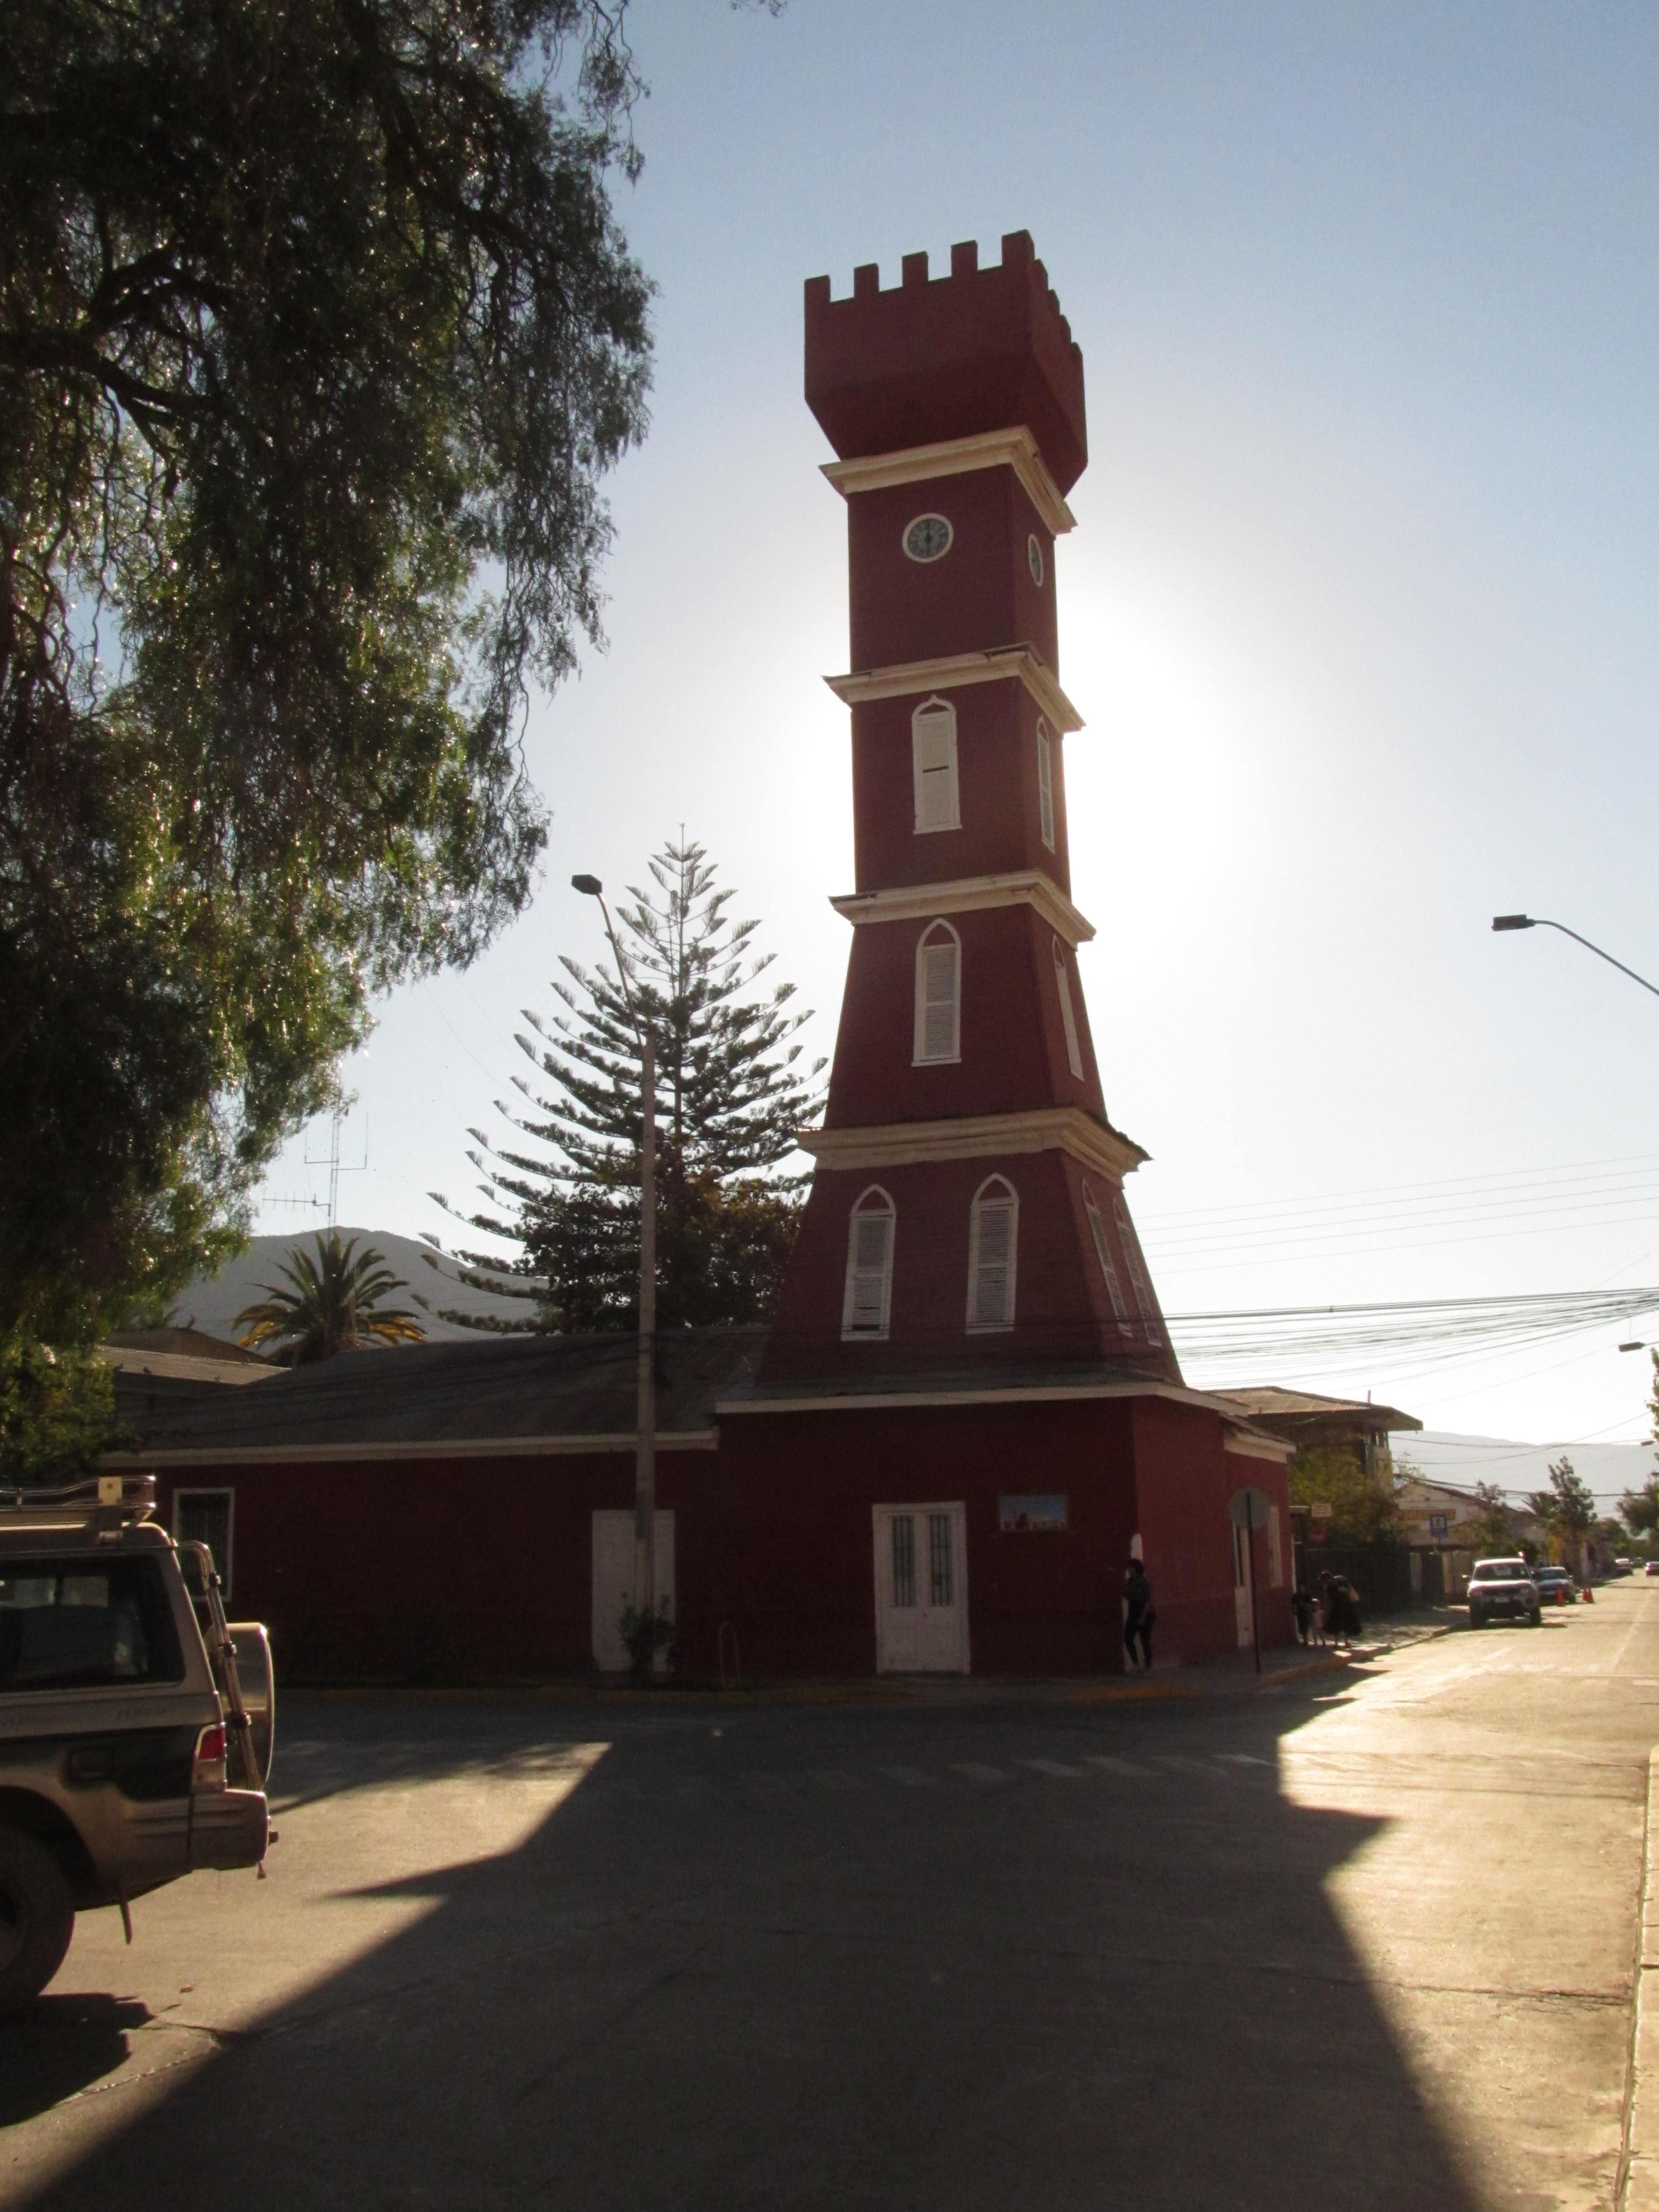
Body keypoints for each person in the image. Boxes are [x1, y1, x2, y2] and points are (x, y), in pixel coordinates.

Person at [1123, 1558, 1155, 1673]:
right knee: (1128, 1638)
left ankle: (1147, 1664)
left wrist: (1143, 1617)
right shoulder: (1129, 1582)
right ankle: (1136, 1663)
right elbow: (1129, 1597)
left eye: (1130, 1568)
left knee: (1144, 1639)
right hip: (1134, 1611)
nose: (1129, 1570)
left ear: (1136, 1569)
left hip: (1144, 1612)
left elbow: (1147, 1601)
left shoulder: (1144, 1582)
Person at [1292, 1580, 1316, 1647]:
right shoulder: (1296, 1596)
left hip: (1306, 1612)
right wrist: (1294, 1610)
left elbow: (1310, 1604)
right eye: (1300, 1587)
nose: (1301, 1588)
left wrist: (1306, 1606)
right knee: (1301, 1626)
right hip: (1300, 1612)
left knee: (1306, 1625)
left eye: (1302, 1587)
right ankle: (1305, 1639)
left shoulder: (1307, 1595)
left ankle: (1306, 1640)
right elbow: (1293, 1604)